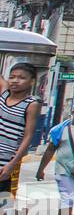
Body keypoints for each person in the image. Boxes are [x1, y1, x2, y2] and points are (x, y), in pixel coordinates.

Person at [0, 63, 43, 202]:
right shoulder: (4, 93)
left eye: (21, 78)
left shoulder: (32, 103)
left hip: (5, 160)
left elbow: (28, 136)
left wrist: (12, 163)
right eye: (12, 77)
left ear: (32, 81)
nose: (15, 80)